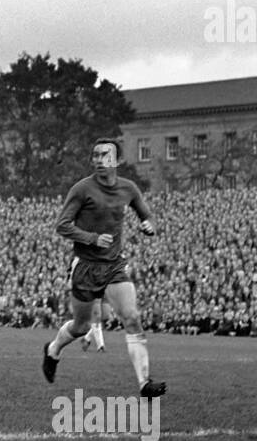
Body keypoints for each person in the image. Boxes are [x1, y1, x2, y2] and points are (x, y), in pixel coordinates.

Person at [42, 138, 165, 398]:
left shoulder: (128, 188)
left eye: (105, 155)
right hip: (86, 266)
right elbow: (62, 225)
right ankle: (53, 349)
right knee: (81, 326)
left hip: (114, 265)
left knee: (131, 317)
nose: (99, 160)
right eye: (96, 155)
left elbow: (148, 216)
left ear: (117, 160)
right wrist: (92, 238)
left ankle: (145, 383)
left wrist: (150, 226)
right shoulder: (82, 189)